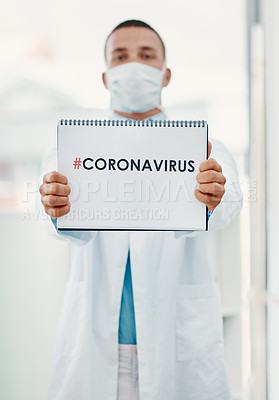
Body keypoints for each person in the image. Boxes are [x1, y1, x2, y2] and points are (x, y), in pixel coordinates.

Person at [38, 19, 242, 400]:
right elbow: (54, 211)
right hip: (97, 344)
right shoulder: (72, 146)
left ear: (165, 74)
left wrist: (214, 197)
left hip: (176, 340)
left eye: (146, 56)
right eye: (121, 56)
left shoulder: (203, 146)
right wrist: (53, 203)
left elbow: (231, 202)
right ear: (105, 76)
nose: (134, 65)